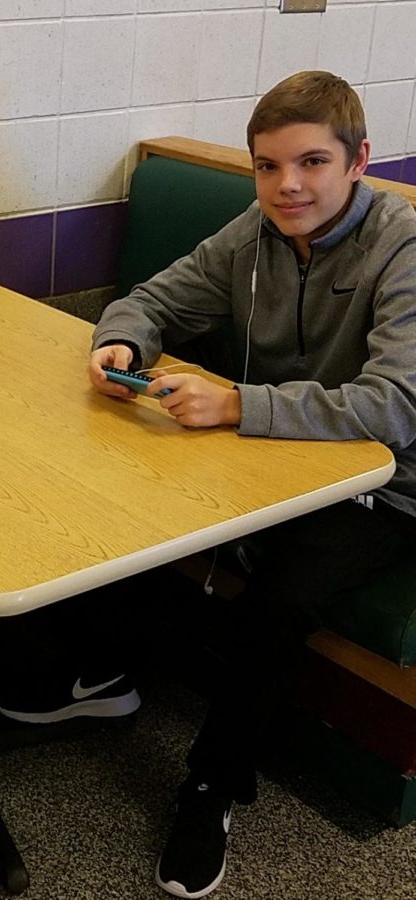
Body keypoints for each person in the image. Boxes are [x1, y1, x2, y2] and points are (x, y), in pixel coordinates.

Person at [89, 71, 416, 897]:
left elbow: (396, 405)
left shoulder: (404, 247)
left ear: (360, 161)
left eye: (311, 162)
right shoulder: (257, 230)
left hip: (387, 482)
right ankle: (104, 668)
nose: (287, 186)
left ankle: (213, 784)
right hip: (279, 457)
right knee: (118, 489)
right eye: (268, 167)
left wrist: (239, 403)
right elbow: (154, 299)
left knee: (282, 593)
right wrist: (121, 345)